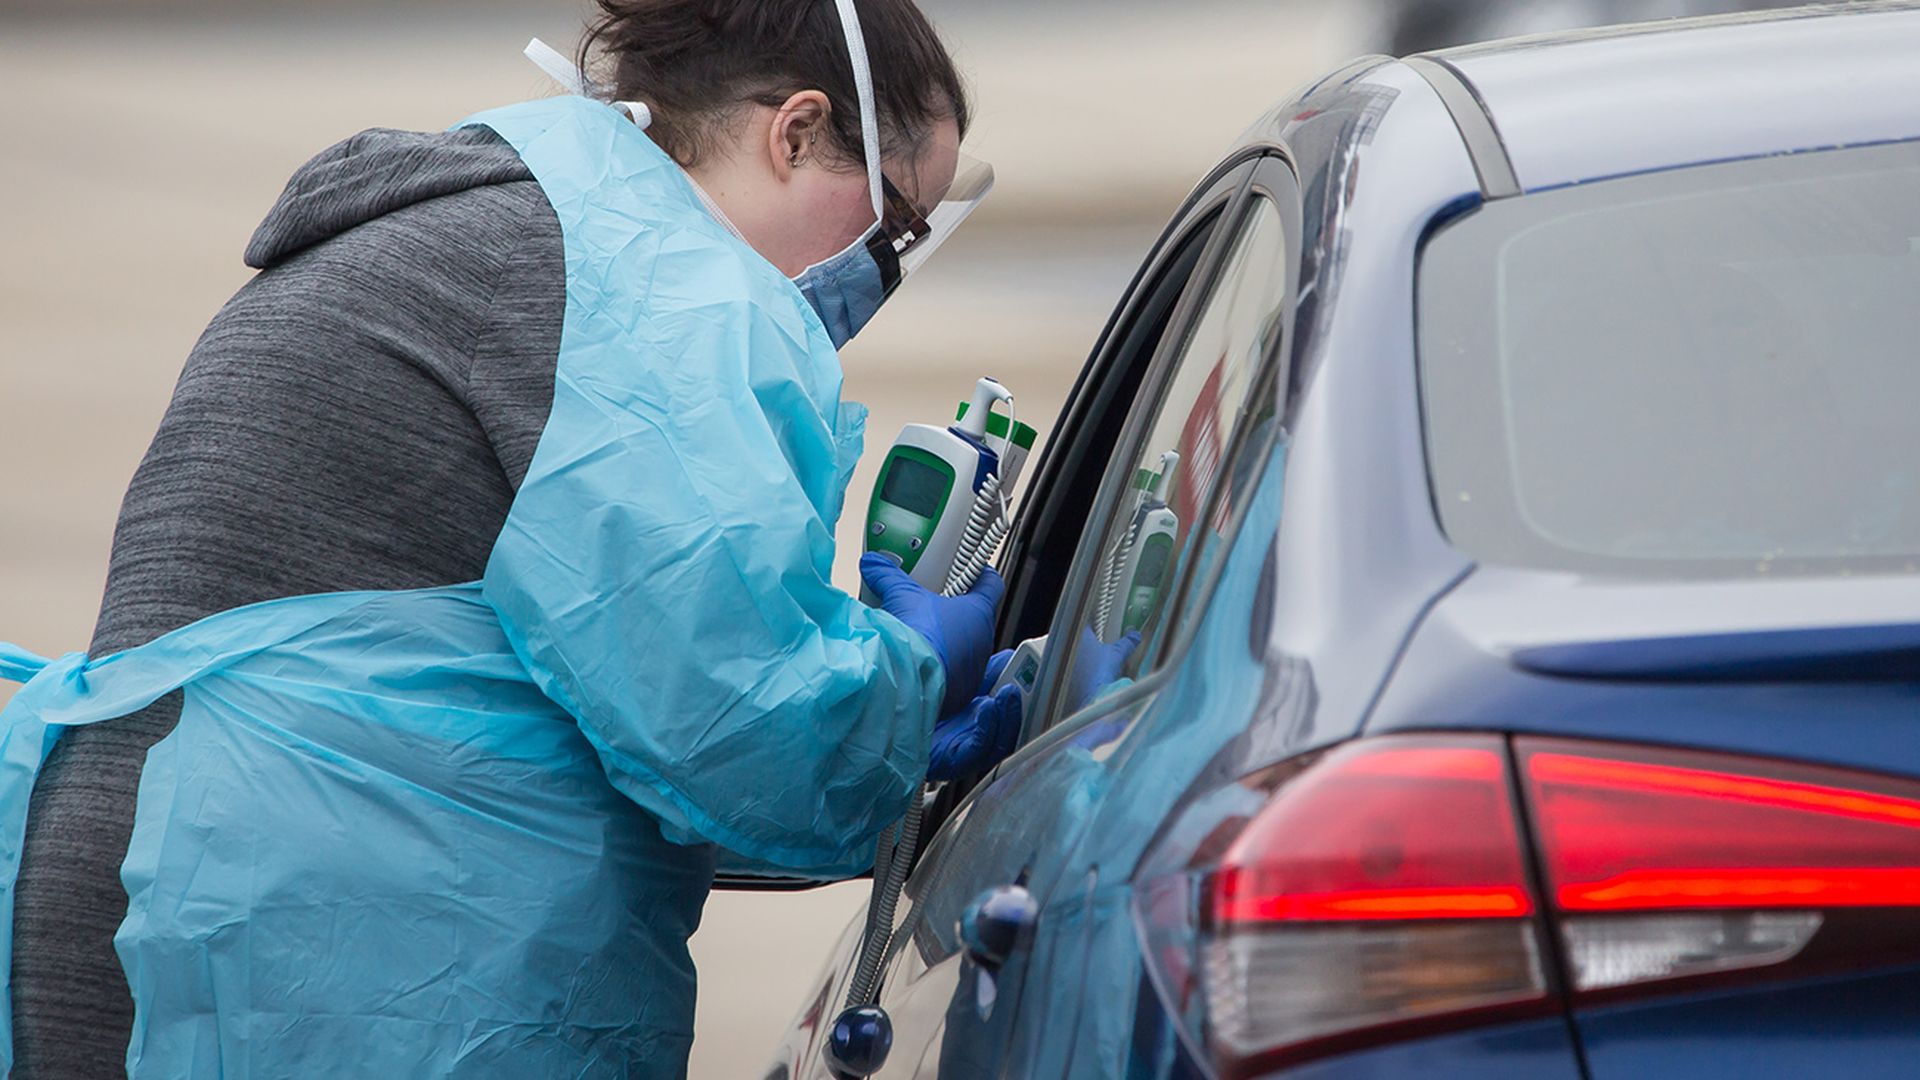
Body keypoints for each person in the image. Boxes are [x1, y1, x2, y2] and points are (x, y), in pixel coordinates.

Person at [0, 1, 1022, 1076]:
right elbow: (731, 709)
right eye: (894, 223)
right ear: (796, 133)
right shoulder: (647, 282)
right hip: (298, 942)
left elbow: (539, 705)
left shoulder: (506, 218)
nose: (882, 271)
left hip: (196, 881)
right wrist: (906, 689)